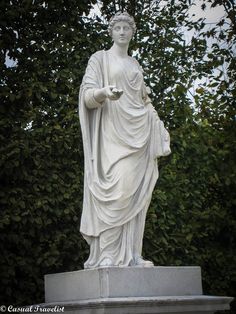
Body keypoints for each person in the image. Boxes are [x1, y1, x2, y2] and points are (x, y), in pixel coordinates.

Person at [79, 12, 170, 269]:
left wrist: (157, 125)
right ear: (111, 31)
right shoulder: (99, 59)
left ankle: (132, 255)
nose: (121, 32)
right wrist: (103, 92)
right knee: (116, 192)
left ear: (132, 32)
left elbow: (144, 100)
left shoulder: (135, 64)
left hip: (139, 134)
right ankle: (107, 255)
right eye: (117, 27)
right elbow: (87, 97)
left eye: (126, 28)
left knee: (137, 195)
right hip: (111, 136)